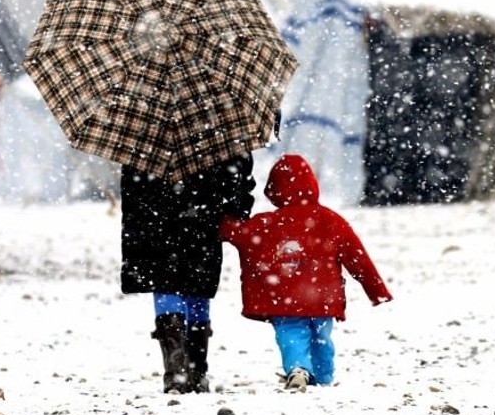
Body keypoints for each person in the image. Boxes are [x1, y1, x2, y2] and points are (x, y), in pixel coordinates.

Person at [219, 153, 393, 390]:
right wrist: (377, 291)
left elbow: (236, 232)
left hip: (283, 300)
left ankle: (299, 369)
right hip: (324, 298)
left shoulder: (266, 223)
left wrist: (217, 218)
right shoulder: (332, 220)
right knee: (322, 338)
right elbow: (358, 258)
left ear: (275, 189)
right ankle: (323, 377)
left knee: (291, 334)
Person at [120, 153, 255, 394]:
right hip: (203, 216)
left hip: (156, 218)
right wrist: (236, 208)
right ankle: (196, 371)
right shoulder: (218, 126)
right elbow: (238, 174)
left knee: (166, 283)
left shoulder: (144, 131)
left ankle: (176, 371)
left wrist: (138, 216)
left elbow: (132, 183)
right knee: (197, 285)